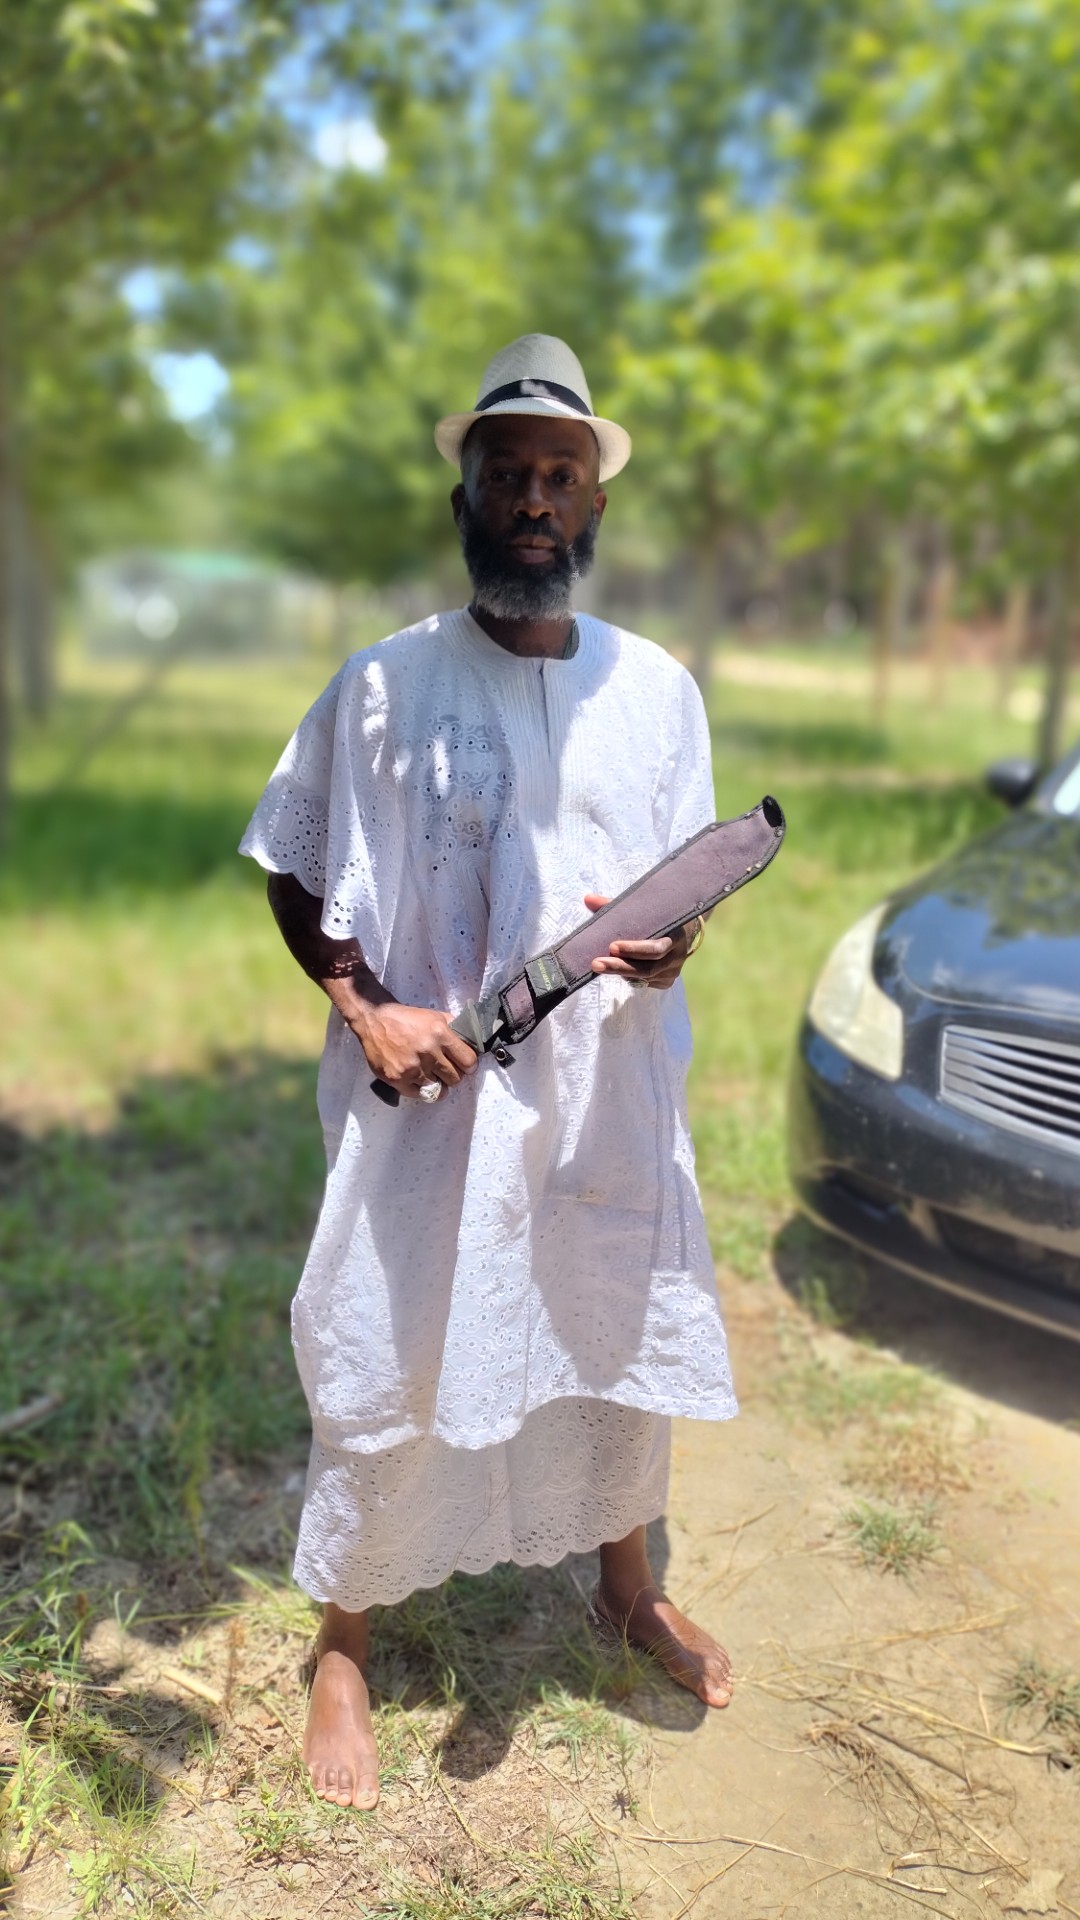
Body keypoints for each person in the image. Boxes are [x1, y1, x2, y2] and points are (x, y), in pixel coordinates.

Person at [240, 334, 737, 1811]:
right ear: (462, 495)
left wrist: (672, 948)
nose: (533, 499)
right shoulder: (383, 686)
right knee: (388, 1340)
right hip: (434, 1104)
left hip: (605, 1096)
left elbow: (682, 883)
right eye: (507, 473)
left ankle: (627, 1584)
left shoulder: (660, 692)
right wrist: (367, 1007)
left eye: (560, 476)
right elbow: (295, 864)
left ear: (595, 505)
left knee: (609, 1323)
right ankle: (344, 1642)